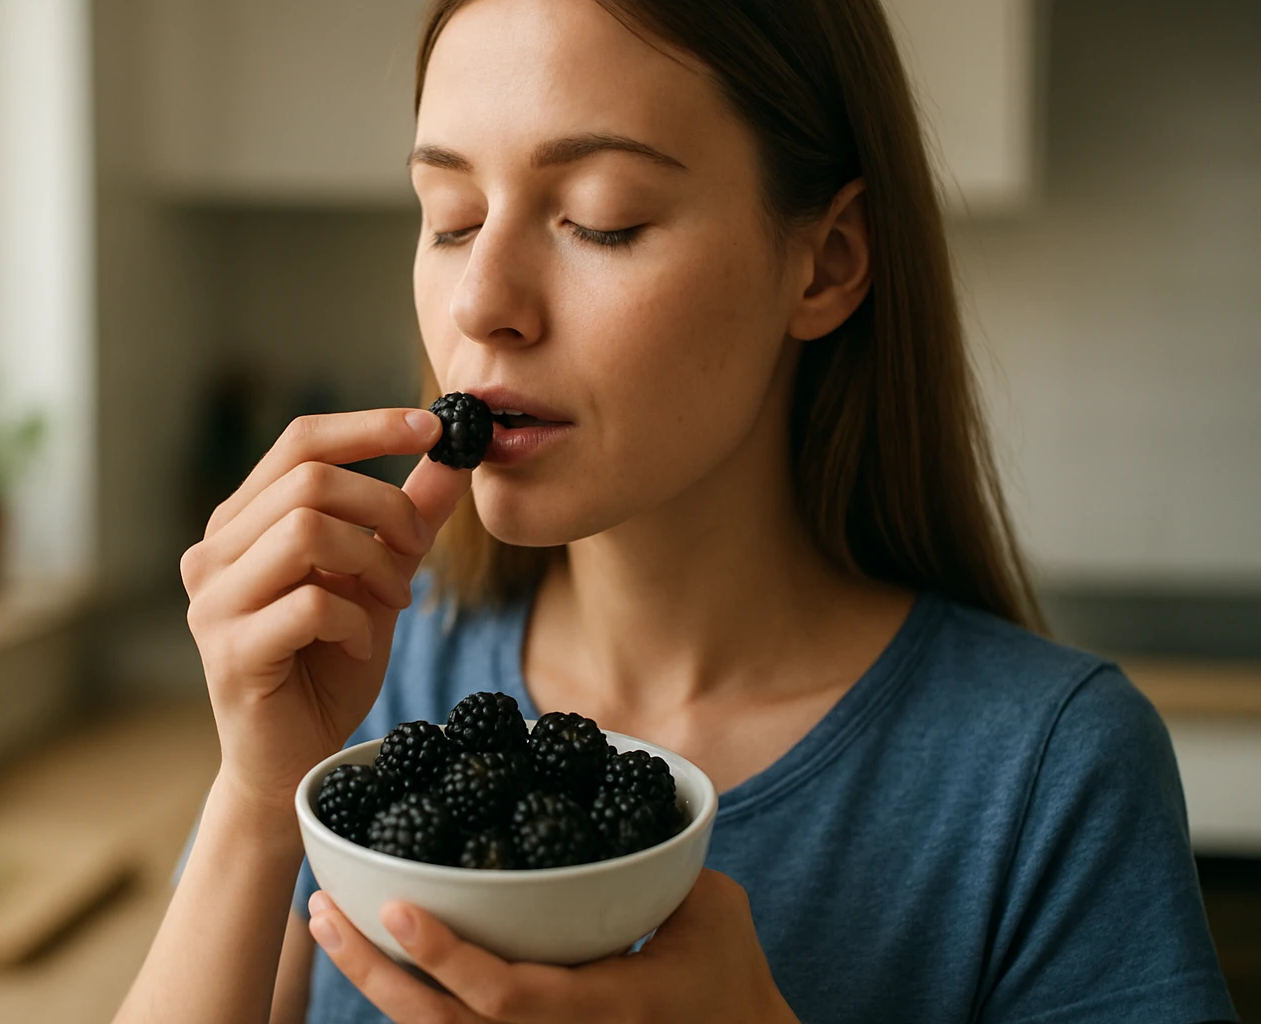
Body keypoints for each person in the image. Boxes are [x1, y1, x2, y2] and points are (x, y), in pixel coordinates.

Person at [114, 0, 1238, 1021]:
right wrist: (258, 796)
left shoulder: (1049, 775)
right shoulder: (360, 690)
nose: (481, 302)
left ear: (826, 264)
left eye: (600, 220)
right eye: (451, 216)